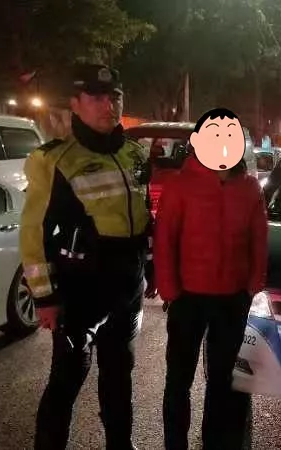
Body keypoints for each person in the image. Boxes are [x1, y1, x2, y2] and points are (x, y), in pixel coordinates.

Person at [20, 64, 155, 450]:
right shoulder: (55, 160)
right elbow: (34, 232)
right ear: (75, 103)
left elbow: (143, 216)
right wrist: (45, 297)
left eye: (114, 96)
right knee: (66, 381)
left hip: (128, 285)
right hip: (82, 288)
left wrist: (151, 267)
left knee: (119, 376)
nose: (108, 105)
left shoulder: (134, 153)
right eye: (96, 97)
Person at [155, 107, 268, 450]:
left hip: (232, 297)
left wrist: (254, 282)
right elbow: (165, 240)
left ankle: (216, 442)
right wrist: (169, 289)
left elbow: (259, 238)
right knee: (179, 379)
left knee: (223, 379)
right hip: (187, 297)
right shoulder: (180, 185)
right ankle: (175, 443)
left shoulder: (249, 187)